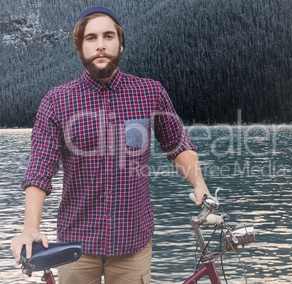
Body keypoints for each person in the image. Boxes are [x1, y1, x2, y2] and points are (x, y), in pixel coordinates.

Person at [10, 5, 210, 284]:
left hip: (133, 244)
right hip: (76, 246)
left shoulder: (150, 93)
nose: (100, 45)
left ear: (121, 44)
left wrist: (199, 183)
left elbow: (178, 146)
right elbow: (39, 168)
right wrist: (31, 228)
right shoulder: (56, 101)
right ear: (80, 48)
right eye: (91, 38)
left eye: (108, 36)